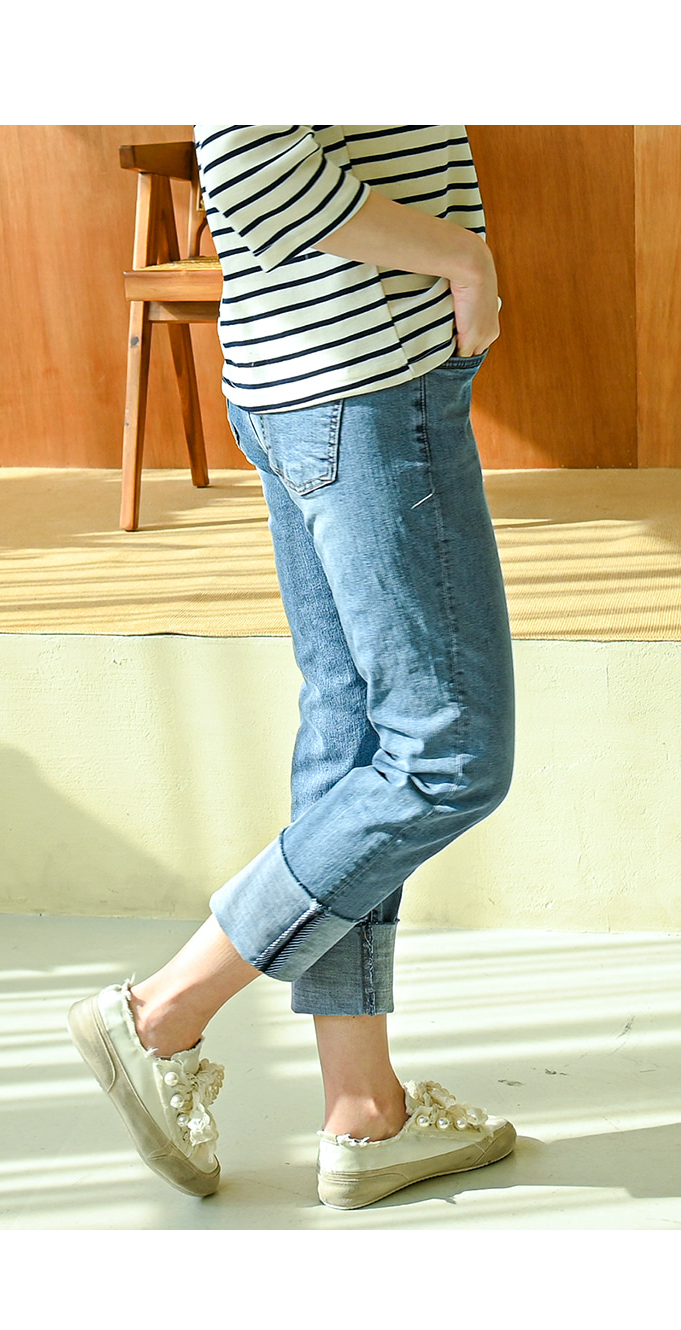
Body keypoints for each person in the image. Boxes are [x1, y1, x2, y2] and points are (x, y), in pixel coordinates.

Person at [69, 125, 517, 1209]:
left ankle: (364, 1108)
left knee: (358, 738)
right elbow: (257, 167)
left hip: (309, 377)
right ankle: (163, 1009)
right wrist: (462, 256)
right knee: (447, 751)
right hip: (366, 382)